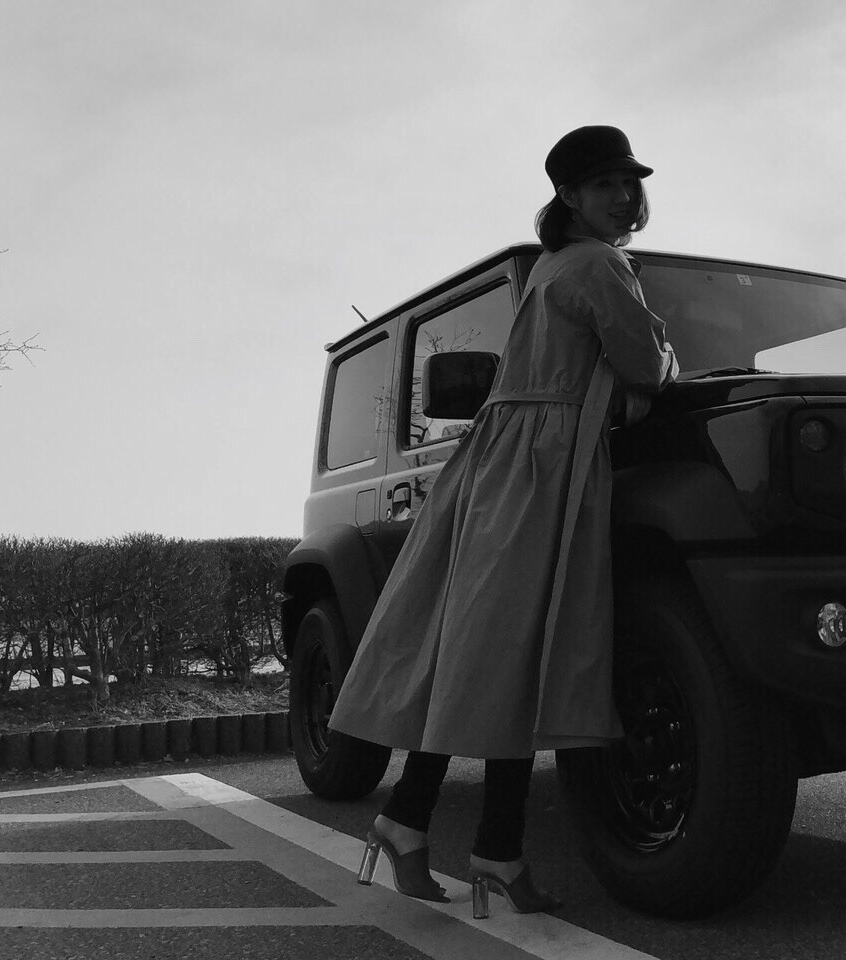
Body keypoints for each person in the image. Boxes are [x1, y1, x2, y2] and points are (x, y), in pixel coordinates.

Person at [327, 125, 680, 917]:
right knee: (515, 656)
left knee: (492, 656)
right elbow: (643, 363)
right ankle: (484, 848)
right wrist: (662, 362)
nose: (623, 196)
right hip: (541, 467)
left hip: (505, 462)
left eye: (629, 182)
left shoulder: (555, 264)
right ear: (569, 196)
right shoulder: (598, 264)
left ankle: (427, 826)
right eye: (604, 184)